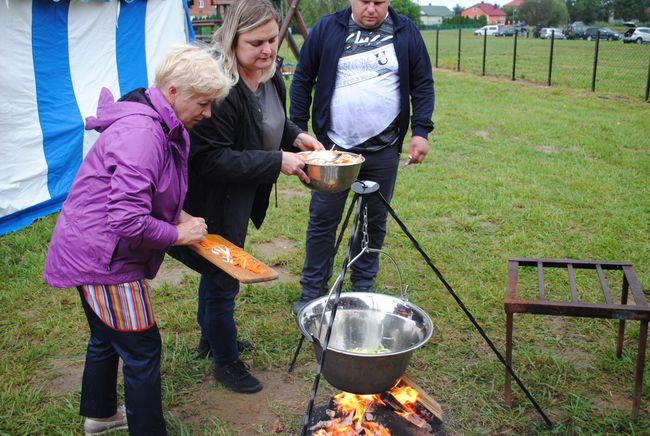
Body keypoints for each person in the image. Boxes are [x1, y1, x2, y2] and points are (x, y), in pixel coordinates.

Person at [43, 45, 231, 435]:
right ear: (175, 92)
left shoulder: (154, 120)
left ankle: (100, 415)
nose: (208, 113)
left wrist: (179, 215)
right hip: (105, 260)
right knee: (142, 350)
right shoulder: (144, 132)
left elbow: (144, 190)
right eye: (204, 103)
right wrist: (179, 234)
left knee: (106, 336)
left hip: (91, 249)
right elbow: (128, 219)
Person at [168, 0, 323, 394]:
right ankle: (226, 361)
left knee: (217, 270)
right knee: (224, 277)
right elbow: (210, 160)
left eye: (273, 39)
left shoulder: (272, 77)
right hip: (211, 201)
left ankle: (210, 340)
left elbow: (272, 119)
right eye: (256, 42)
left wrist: (294, 135)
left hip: (240, 197)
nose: (268, 49)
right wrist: (278, 161)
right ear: (233, 39)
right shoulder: (220, 91)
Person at [289, 0, 435, 315]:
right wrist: (297, 131)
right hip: (332, 149)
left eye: (379, 2)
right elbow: (302, 80)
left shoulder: (405, 32)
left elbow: (422, 84)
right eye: (364, 1)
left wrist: (421, 131)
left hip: (383, 149)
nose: (371, 8)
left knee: (373, 221)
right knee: (323, 219)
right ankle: (312, 293)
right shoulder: (328, 29)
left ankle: (362, 290)